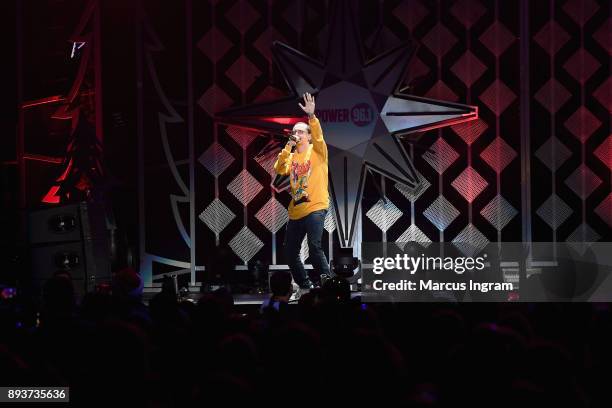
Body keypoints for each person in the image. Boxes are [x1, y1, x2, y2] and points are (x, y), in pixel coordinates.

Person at [274, 93, 330, 298]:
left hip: (315, 206)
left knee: (315, 248)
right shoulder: (292, 156)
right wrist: (288, 146)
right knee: (290, 252)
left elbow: (319, 136)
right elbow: (280, 169)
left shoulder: (318, 151)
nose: (296, 134)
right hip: (296, 210)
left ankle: (328, 284)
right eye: (293, 131)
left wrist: (312, 117)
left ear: (307, 135)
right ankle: (305, 284)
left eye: (299, 131)